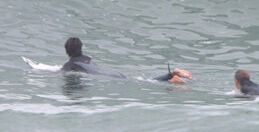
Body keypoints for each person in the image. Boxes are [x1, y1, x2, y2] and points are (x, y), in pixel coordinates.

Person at [60, 37, 190, 83]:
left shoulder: (69, 65)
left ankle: (171, 75)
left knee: (145, 82)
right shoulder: (88, 59)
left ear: (67, 51)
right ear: (81, 48)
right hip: (115, 73)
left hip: (112, 78)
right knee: (143, 80)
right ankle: (170, 76)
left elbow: (61, 74)